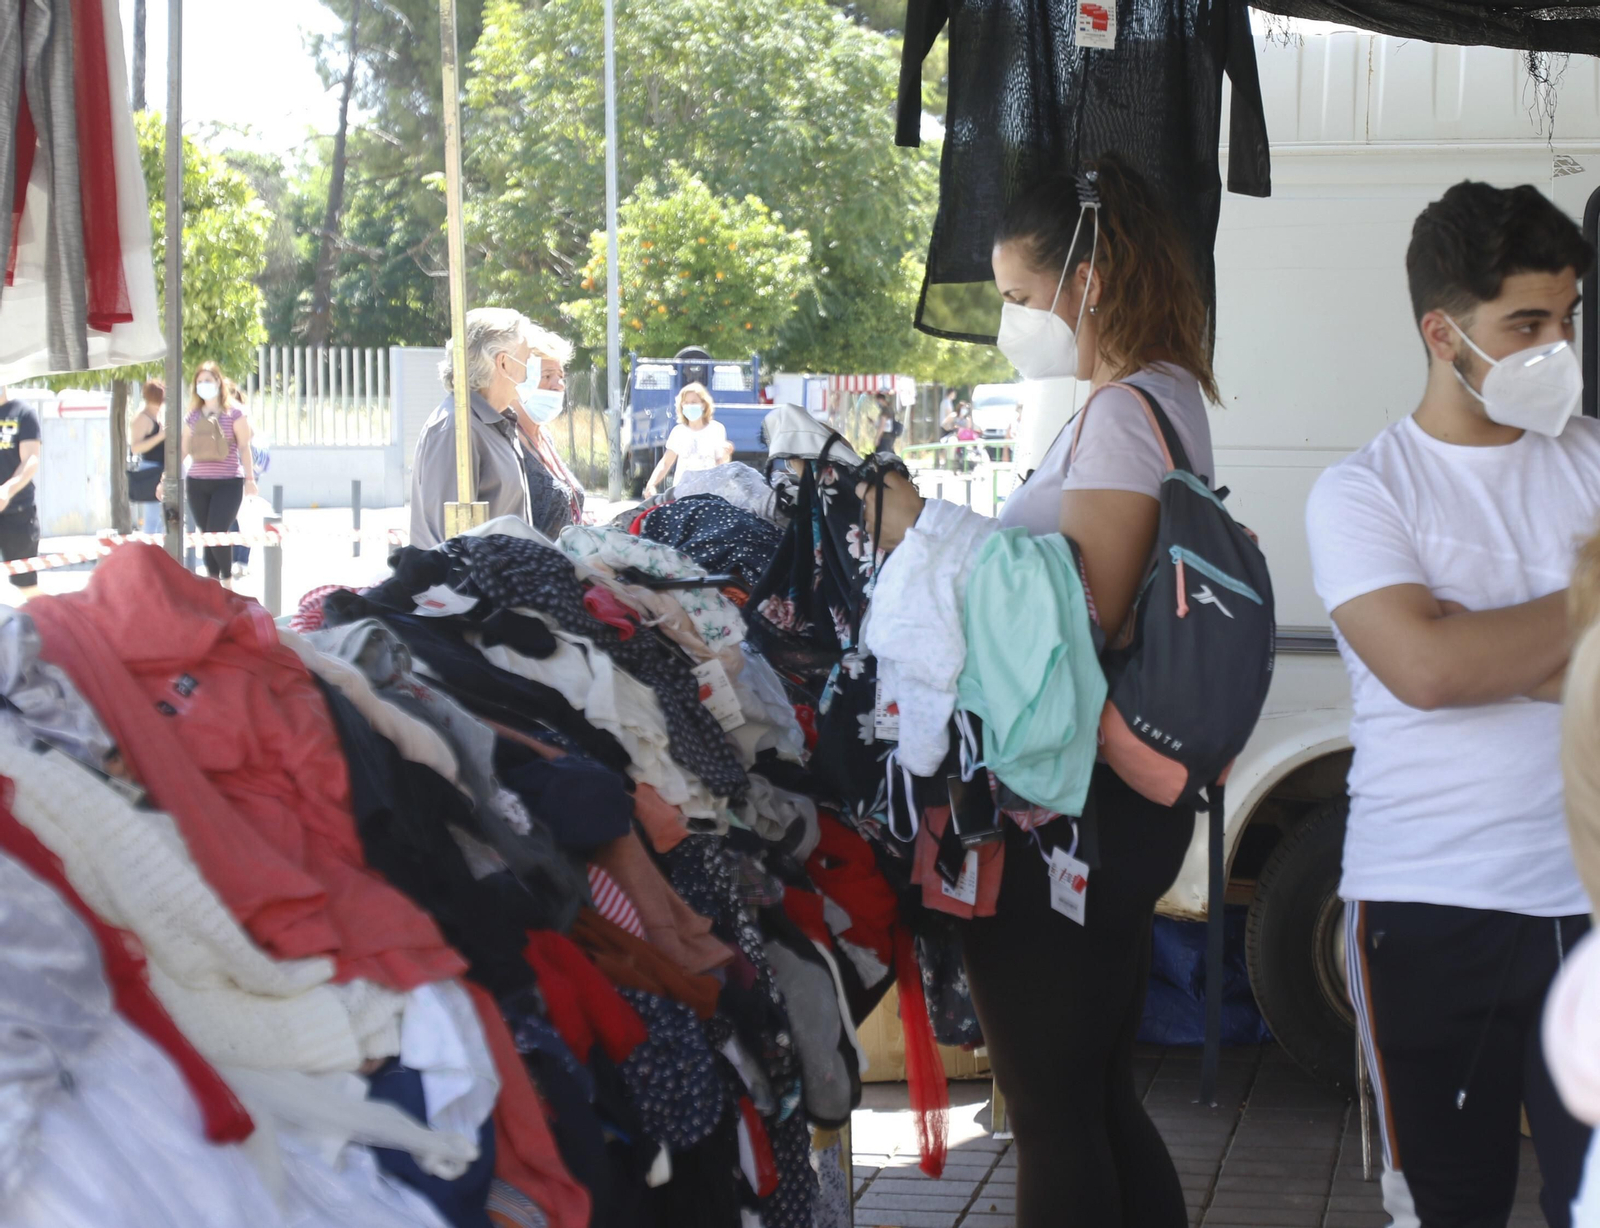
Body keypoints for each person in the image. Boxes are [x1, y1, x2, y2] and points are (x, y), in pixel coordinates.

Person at [858, 156, 1215, 1228]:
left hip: (1066, 806)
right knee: (1092, 1095)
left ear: (1086, 282)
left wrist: (921, 528)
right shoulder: (1161, 395)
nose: (1011, 319)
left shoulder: (1124, 413)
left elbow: (1078, 614)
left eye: (1019, 295)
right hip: (1111, 800)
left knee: (1054, 1112)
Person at [1305, 180, 1598, 1228]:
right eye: (1526, 324)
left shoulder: (1592, 460)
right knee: (1447, 1208)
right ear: (1443, 332)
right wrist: (1581, 621)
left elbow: (1449, 660)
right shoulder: (1364, 490)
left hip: (1587, 902)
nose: (1557, 346)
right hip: (1426, 906)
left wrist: (1483, 640)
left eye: (1567, 318)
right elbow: (1425, 672)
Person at [411, 308, 577, 549]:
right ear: (504, 363)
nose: (531, 368)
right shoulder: (455, 430)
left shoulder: (498, 423)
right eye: (527, 358)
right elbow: (446, 545)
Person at [504, 331, 587, 537]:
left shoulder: (545, 438)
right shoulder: (505, 439)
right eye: (547, 376)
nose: (559, 385)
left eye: (561, 376)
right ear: (521, 381)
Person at [182, 362, 257, 585]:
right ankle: (213, 585)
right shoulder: (192, 416)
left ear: (218, 382)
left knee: (218, 531)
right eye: (199, 381)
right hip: (197, 483)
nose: (203, 385)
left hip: (228, 482)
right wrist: (165, 477)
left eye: (208, 380)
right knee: (206, 535)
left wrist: (250, 479)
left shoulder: (235, 413)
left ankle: (227, 580)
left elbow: (244, 447)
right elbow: (183, 449)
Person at [641, 382, 731, 498]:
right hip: (682, 493)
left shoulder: (716, 429)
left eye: (693, 402)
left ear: (703, 405)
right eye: (686, 403)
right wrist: (651, 484)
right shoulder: (678, 432)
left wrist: (726, 455)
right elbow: (666, 462)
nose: (689, 406)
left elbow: (720, 463)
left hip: (708, 494)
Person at [0, 386, 41, 591]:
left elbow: (31, 459)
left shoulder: (23, 413)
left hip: (17, 512)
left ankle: (41, 613)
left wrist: (7, 490)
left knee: (25, 585)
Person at [129, 380, 165, 535]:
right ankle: (150, 547)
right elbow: (136, 447)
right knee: (152, 518)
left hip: (162, 468)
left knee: (164, 518)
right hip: (151, 469)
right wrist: (160, 436)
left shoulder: (158, 415)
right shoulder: (142, 418)